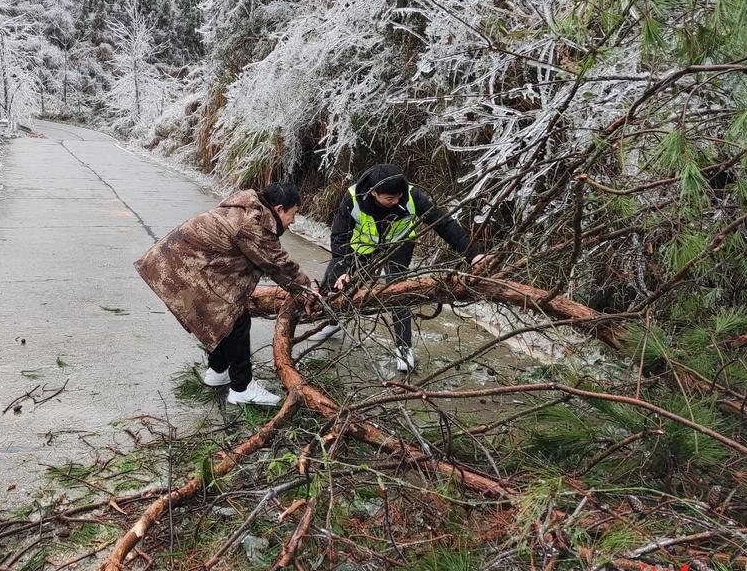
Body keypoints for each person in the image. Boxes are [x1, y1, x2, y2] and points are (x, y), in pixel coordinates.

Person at [135, 182, 318, 407]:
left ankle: (218, 370)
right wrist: (307, 292)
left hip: (180, 264)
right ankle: (242, 388)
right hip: (183, 269)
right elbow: (279, 265)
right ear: (279, 209)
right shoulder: (252, 225)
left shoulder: (249, 208)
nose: (293, 221)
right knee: (235, 318)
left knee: (226, 316)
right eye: (294, 214)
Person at [312, 164, 491, 371]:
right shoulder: (353, 198)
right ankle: (332, 321)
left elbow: (444, 224)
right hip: (362, 245)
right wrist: (343, 269)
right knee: (334, 277)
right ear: (373, 192)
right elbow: (339, 235)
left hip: (399, 245)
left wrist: (474, 254)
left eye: (398, 197)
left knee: (398, 290)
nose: (396, 201)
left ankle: (403, 348)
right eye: (389, 199)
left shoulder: (412, 195)